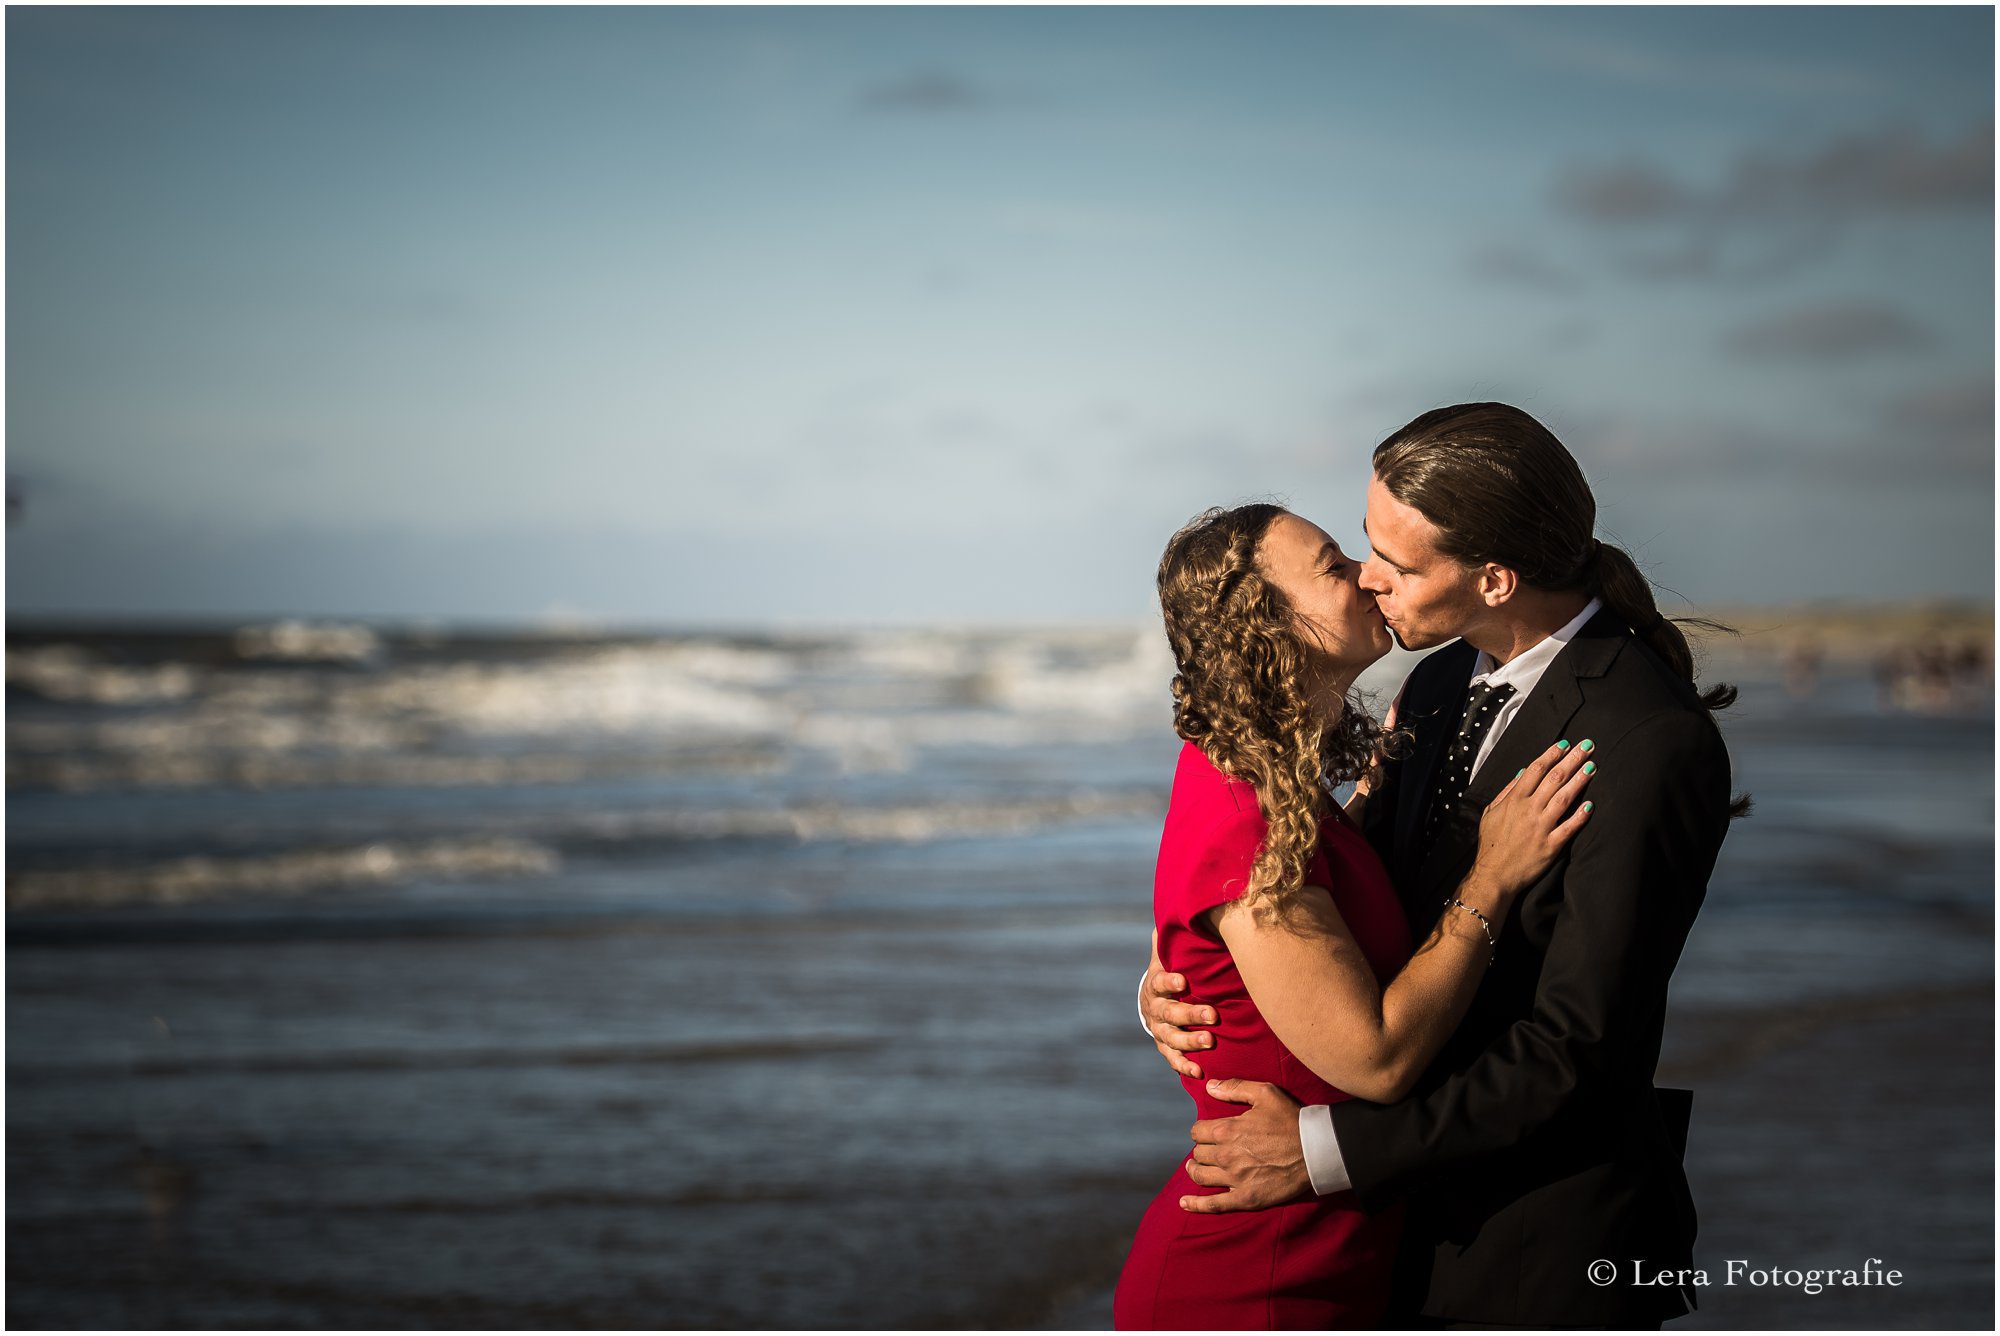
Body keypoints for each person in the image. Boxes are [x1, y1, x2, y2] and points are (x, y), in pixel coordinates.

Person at [1141, 403, 1744, 1328]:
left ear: (1495, 578)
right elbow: (1323, 889)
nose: (1372, 579)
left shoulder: (1647, 738)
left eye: (1395, 561)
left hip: (1541, 1248)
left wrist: (1323, 1151)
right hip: (1401, 1240)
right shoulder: (1436, 680)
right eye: (1358, 550)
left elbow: (1580, 1052)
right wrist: (1191, 971)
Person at [1114, 502, 1597, 1330]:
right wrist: (1492, 876)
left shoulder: (1284, 787)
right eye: (1336, 566)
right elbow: (1374, 1059)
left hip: (1335, 1253)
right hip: (1256, 1280)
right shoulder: (1248, 818)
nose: (1371, 575)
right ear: (1266, 627)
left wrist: (1172, 978)